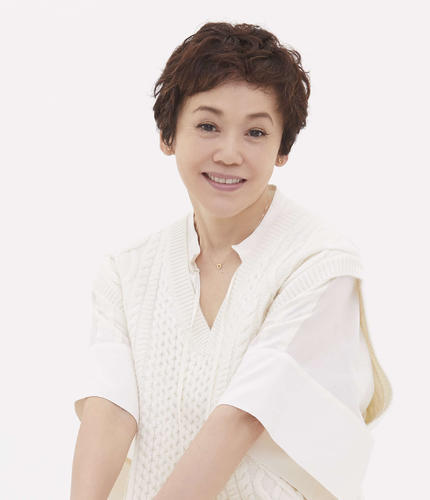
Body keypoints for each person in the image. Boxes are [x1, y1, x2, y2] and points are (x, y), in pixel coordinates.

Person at [70, 21, 393, 500]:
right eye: (208, 126)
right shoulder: (125, 270)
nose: (229, 153)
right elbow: (109, 411)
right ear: (168, 134)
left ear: (282, 149)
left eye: (256, 132)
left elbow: (242, 419)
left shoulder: (320, 263)